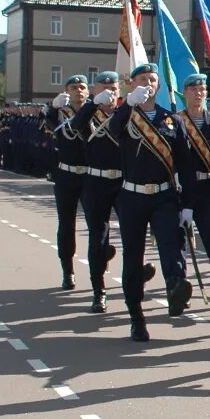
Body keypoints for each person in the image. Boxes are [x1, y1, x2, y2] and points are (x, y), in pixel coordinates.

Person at [105, 63, 195, 341]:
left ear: (159, 86)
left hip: (164, 195)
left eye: (153, 79)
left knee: (171, 242)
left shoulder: (172, 120)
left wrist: (189, 204)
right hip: (132, 196)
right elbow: (109, 131)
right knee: (133, 258)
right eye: (142, 79)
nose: (148, 83)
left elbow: (186, 165)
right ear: (132, 85)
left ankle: (176, 287)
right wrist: (126, 106)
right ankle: (137, 317)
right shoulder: (127, 116)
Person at [66, 71, 126, 313]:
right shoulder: (89, 114)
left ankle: (135, 277)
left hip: (124, 183)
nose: (110, 90)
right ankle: (98, 291)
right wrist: (93, 102)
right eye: (104, 86)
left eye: (113, 86)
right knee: (98, 238)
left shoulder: (127, 112)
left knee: (133, 233)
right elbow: (76, 126)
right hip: (96, 182)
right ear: (95, 89)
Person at [174, 74, 210, 326]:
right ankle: (180, 284)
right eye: (193, 89)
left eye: (202, 89)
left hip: (209, 186)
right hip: (183, 187)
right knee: (179, 238)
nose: (198, 93)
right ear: (185, 92)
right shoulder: (176, 121)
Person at [45, 74, 90, 289]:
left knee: (97, 224)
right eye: (73, 87)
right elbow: (48, 125)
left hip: (90, 176)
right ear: (66, 91)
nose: (78, 91)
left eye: (82, 87)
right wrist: (52, 108)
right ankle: (68, 270)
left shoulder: (94, 111)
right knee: (66, 224)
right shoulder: (60, 114)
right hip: (67, 175)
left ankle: (99, 264)